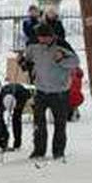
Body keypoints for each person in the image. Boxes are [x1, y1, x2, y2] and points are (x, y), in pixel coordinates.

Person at [20, 23, 79, 160]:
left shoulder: (62, 45)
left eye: (46, 38)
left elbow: (75, 62)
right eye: (40, 38)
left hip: (59, 91)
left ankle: (58, 152)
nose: (43, 40)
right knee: (38, 123)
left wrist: (61, 59)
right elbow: (27, 61)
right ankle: (39, 151)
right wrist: (22, 61)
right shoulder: (33, 45)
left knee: (60, 123)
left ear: (51, 36)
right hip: (41, 89)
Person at [0, 83, 33, 151]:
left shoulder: (22, 95)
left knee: (16, 118)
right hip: (7, 92)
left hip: (20, 94)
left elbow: (29, 97)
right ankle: (3, 139)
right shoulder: (2, 95)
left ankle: (17, 142)